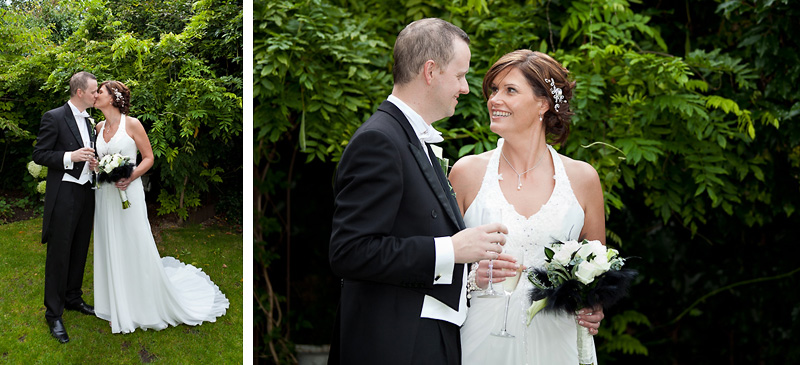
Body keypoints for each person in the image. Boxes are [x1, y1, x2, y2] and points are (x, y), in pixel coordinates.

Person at [328, 18, 507, 365]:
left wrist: (467, 269)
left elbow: (409, 231)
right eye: (459, 75)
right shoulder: (379, 141)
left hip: (423, 335)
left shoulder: (411, 137)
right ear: (430, 71)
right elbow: (349, 251)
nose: (466, 88)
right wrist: (451, 249)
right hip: (394, 343)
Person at [450, 50, 606, 364]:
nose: (495, 99)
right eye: (494, 90)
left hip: (557, 340)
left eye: (510, 90)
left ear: (543, 103)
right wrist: (471, 279)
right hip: (482, 339)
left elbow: (598, 270)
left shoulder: (583, 179)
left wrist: (594, 306)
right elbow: (437, 261)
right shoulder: (467, 173)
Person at [91, 80, 229, 333]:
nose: (95, 95)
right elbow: (101, 161)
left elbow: (149, 158)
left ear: (112, 98)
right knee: (109, 243)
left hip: (128, 193)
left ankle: (138, 303)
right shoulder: (99, 126)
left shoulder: (132, 124)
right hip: (106, 196)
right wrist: (97, 167)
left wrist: (130, 176)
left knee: (133, 243)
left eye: (100, 92)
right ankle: (115, 302)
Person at [32, 71, 99, 344]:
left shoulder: (91, 120)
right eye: (94, 91)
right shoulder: (54, 116)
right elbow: (40, 154)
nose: (98, 94)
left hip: (87, 192)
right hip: (64, 194)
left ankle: (73, 298)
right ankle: (53, 313)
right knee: (59, 253)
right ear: (80, 92)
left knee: (80, 247)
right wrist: (70, 156)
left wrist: (93, 165)